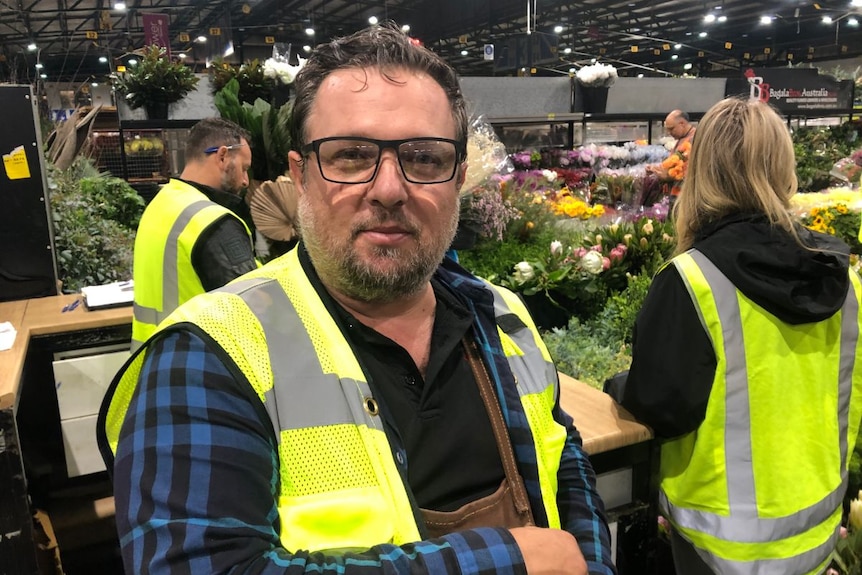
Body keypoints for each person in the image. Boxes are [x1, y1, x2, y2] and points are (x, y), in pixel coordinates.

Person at [98, 23, 616, 575]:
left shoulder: (502, 316)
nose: (389, 189)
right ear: (300, 177)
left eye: (424, 157)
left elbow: (565, 469)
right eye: (349, 156)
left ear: (458, 178)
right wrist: (506, 561)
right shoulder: (207, 359)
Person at [619, 97, 862, 574]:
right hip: (815, 527)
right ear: (783, 165)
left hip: (720, 547)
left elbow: (660, 408)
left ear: (702, 168)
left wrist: (621, 387)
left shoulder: (692, 281)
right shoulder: (843, 283)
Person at [129, 117, 257, 350]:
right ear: (222, 156)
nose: (246, 180)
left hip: (153, 360)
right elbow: (252, 307)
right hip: (199, 366)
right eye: (244, 168)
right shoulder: (213, 222)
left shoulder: (161, 204)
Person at [645, 109, 696, 200]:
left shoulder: (695, 140)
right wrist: (656, 169)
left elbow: (689, 171)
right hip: (676, 194)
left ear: (682, 123)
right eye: (667, 129)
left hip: (686, 196)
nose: (669, 133)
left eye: (672, 129)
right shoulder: (682, 138)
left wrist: (667, 176)